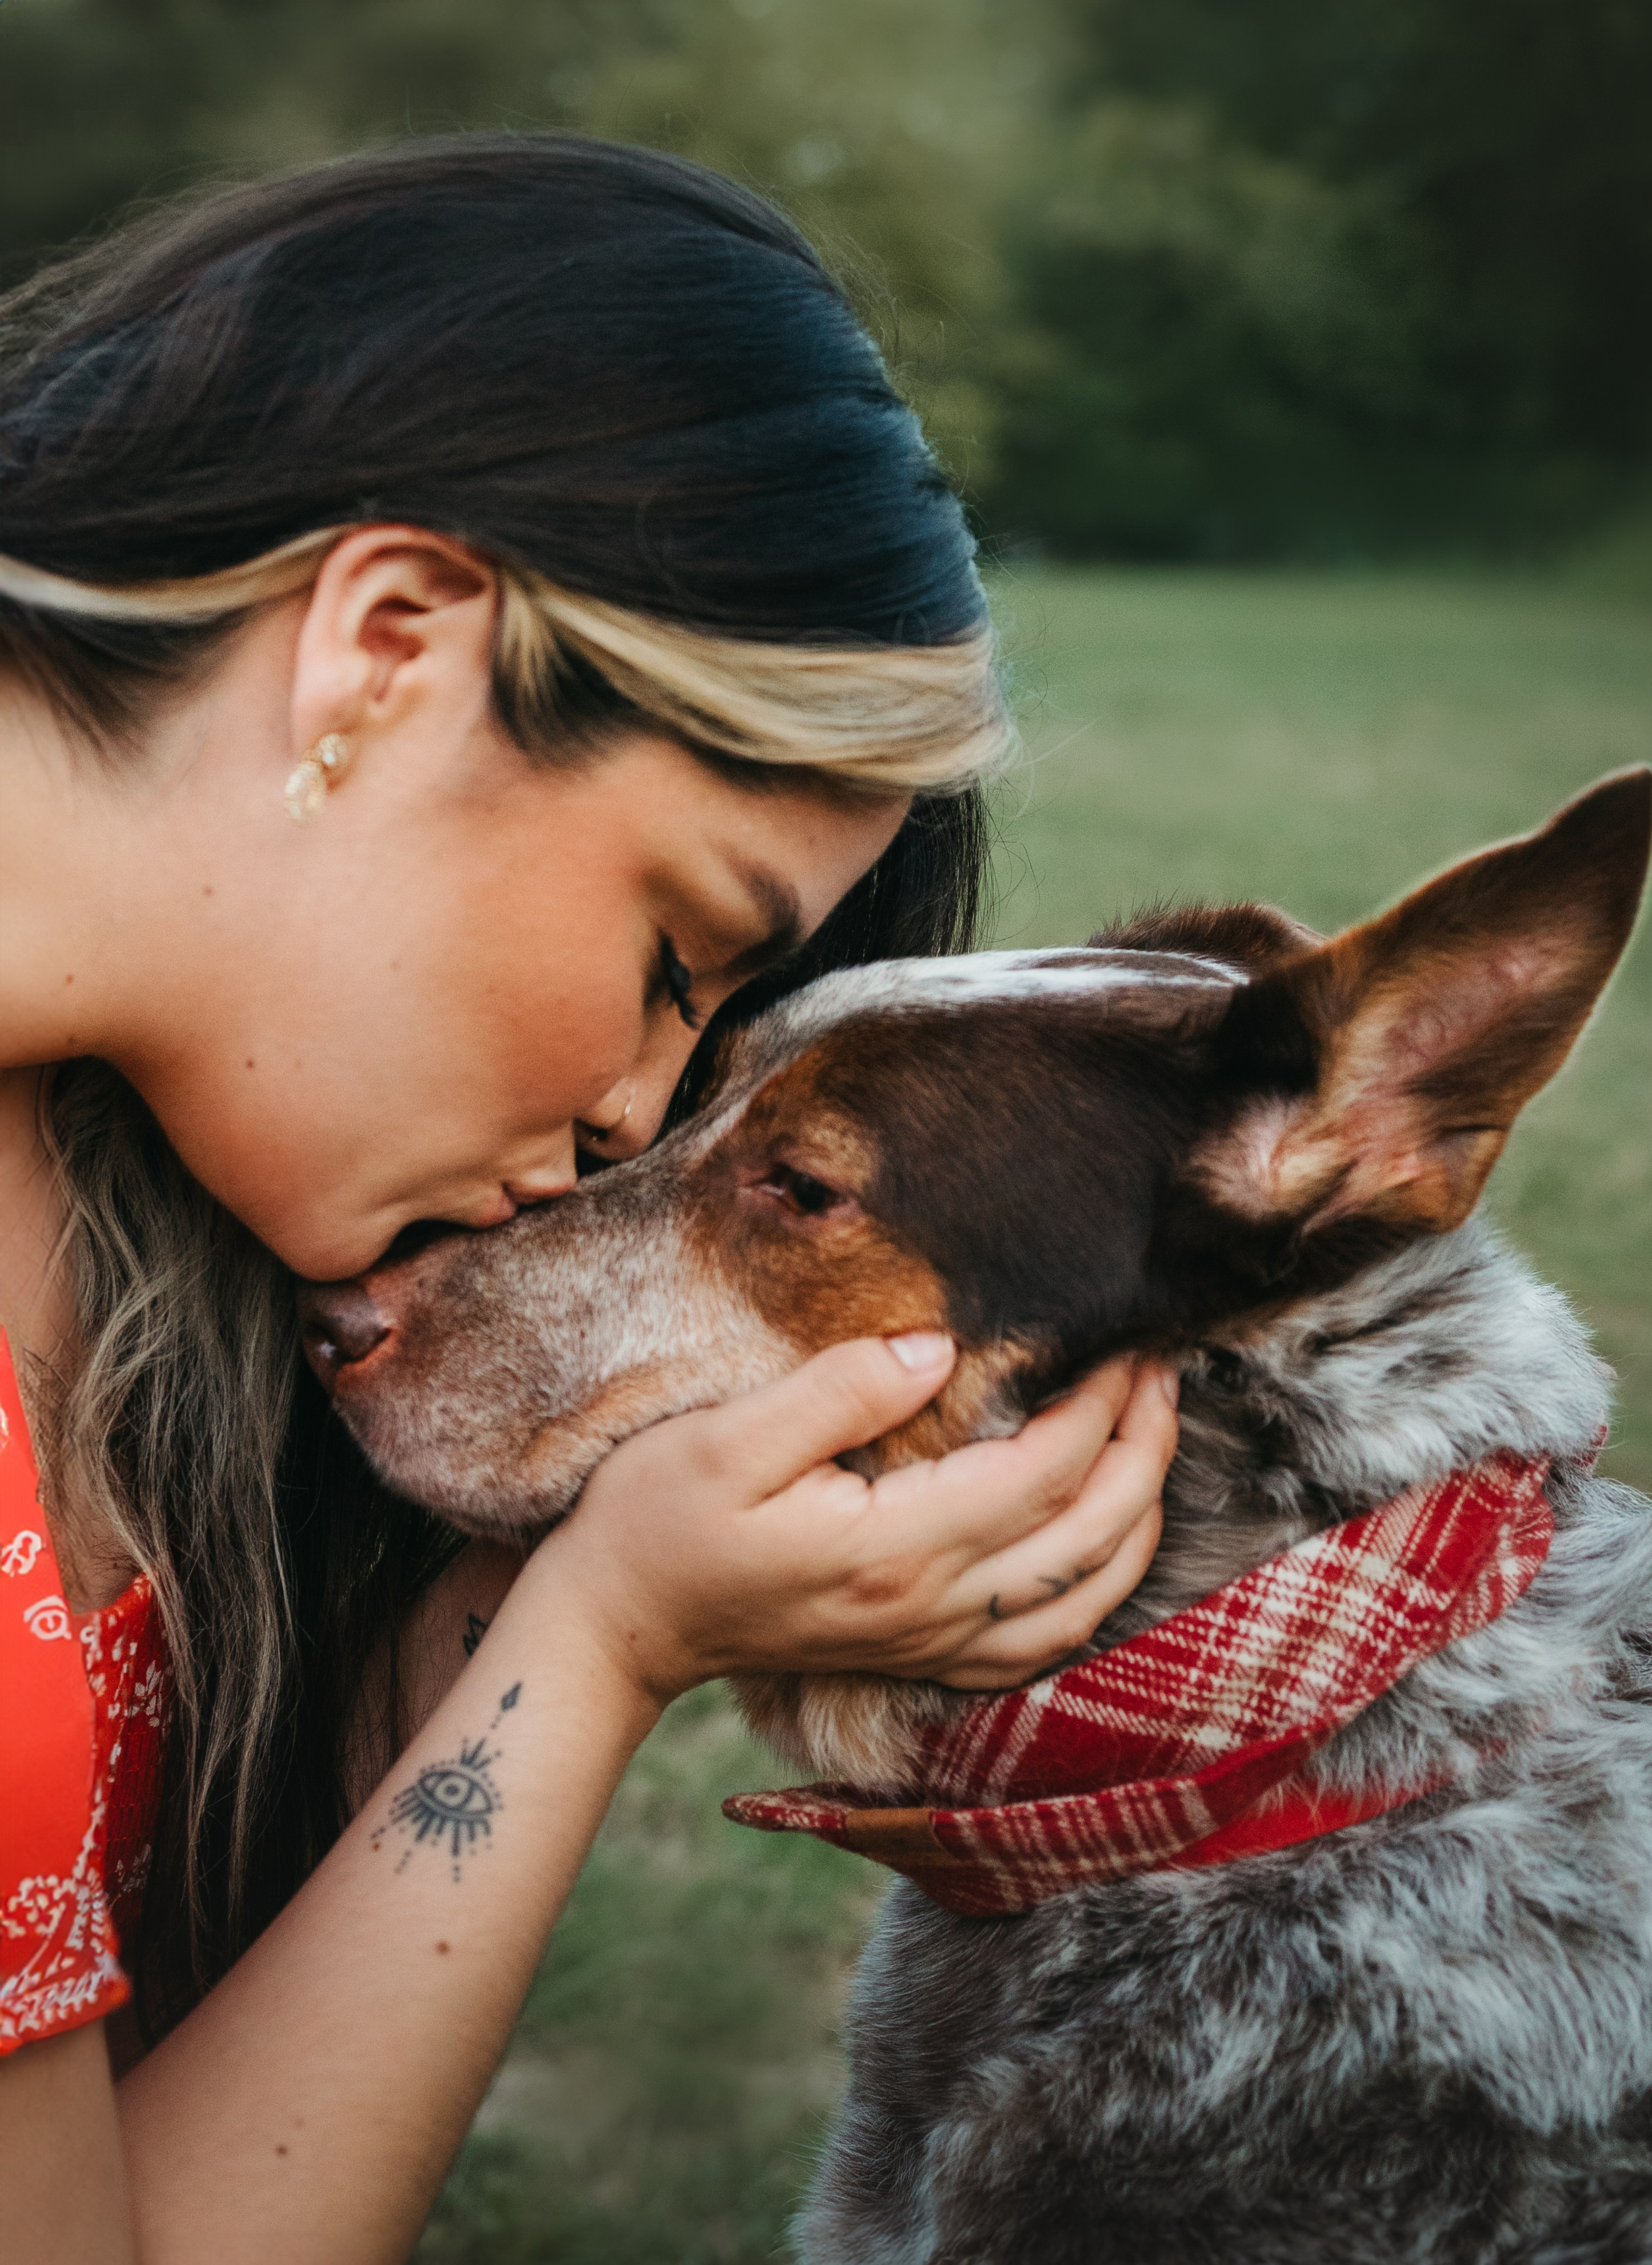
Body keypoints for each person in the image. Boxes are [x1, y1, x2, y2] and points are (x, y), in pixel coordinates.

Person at [0, 134, 1176, 2262]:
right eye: (675, 957)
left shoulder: (102, 1176)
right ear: (390, 647)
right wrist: (610, 1636)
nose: (638, 1111)